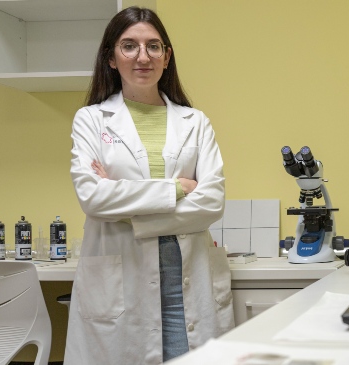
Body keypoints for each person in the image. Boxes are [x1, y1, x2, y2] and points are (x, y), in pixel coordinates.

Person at [65, 6, 233, 364]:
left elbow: (212, 202)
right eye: (129, 46)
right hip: (121, 289)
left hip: (186, 283)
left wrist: (128, 210)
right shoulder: (91, 120)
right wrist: (177, 189)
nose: (143, 56)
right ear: (111, 57)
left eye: (153, 46)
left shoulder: (195, 122)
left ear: (166, 56)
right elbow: (94, 199)